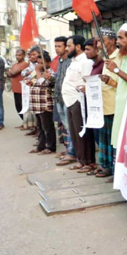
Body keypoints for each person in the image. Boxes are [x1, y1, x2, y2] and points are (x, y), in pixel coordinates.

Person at [62, 35, 96, 173]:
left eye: (69, 46)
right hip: (69, 100)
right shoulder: (74, 61)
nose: (66, 48)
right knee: (75, 132)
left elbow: (87, 81)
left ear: (77, 46)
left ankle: (88, 161)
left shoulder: (85, 61)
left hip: (79, 100)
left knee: (83, 132)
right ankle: (81, 160)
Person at [106, 23, 127, 150]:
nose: (118, 41)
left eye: (121, 38)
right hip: (120, 104)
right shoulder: (125, 56)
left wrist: (116, 70)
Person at [94, 29, 122, 178]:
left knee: (113, 140)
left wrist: (108, 81)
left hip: (115, 105)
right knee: (103, 138)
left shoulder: (119, 57)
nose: (99, 45)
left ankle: (112, 167)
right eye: (97, 42)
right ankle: (105, 165)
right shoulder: (105, 58)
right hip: (103, 104)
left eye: (102, 41)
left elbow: (123, 83)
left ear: (112, 41)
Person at [52, 37, 77, 165]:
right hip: (59, 97)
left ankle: (72, 153)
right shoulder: (60, 61)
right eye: (55, 46)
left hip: (69, 98)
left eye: (60, 46)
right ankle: (69, 150)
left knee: (71, 126)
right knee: (66, 126)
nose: (57, 49)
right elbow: (59, 78)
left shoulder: (71, 61)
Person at [27, 52, 56, 155]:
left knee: (47, 127)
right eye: (38, 62)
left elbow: (43, 83)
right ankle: (41, 146)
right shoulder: (36, 72)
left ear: (48, 63)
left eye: (41, 62)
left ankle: (50, 146)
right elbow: (30, 80)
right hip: (36, 104)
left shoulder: (50, 73)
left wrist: (38, 71)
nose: (39, 64)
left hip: (45, 104)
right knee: (40, 127)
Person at [6, 49, 29, 127]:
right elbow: (8, 75)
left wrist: (9, 71)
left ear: (24, 56)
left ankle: (27, 124)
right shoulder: (15, 65)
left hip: (22, 89)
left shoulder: (25, 64)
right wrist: (10, 72)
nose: (17, 57)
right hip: (15, 89)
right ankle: (24, 123)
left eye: (19, 55)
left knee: (23, 107)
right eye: (16, 55)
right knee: (18, 107)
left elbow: (12, 73)